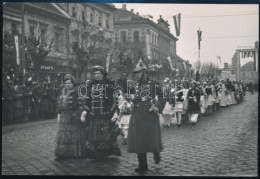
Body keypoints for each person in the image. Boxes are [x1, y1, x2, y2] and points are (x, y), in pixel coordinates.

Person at [127, 59, 165, 173]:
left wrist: (157, 107)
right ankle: (142, 165)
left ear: (144, 73)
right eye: (135, 73)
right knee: (139, 140)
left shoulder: (153, 83)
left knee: (151, 138)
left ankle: (156, 152)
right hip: (137, 115)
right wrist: (132, 104)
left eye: (138, 73)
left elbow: (162, 97)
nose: (136, 75)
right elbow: (134, 98)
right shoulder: (136, 85)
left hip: (149, 114)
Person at [83, 65, 121, 159]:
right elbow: (87, 99)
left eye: (99, 73)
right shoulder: (90, 85)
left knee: (105, 134)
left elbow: (115, 100)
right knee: (93, 134)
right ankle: (94, 153)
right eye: (95, 74)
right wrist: (87, 110)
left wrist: (112, 112)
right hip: (93, 115)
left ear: (103, 75)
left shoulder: (109, 84)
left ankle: (104, 152)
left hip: (105, 114)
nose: (96, 75)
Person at [55, 74, 85, 159]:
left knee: (73, 135)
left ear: (73, 84)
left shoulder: (77, 92)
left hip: (73, 118)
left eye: (69, 83)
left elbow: (80, 105)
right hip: (64, 118)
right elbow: (59, 104)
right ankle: (64, 152)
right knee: (64, 135)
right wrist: (59, 113)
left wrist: (76, 115)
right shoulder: (63, 91)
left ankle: (73, 152)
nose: (67, 85)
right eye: (66, 83)